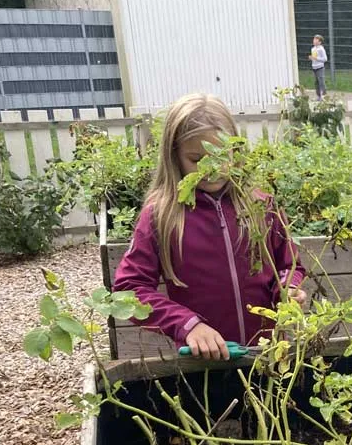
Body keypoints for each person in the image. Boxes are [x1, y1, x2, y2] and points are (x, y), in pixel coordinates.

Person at [114, 93, 307, 361]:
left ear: (235, 150)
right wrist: (188, 325)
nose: (212, 168)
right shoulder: (162, 215)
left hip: (268, 356)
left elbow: (289, 264)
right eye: (196, 159)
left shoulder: (261, 205)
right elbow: (129, 291)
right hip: (203, 365)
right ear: (174, 157)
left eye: (221, 155)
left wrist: (288, 290)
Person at [309, 35, 328, 101]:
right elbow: (314, 58)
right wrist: (312, 58)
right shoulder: (313, 49)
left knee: (321, 82)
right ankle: (319, 96)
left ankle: (325, 96)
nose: (314, 41)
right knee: (316, 83)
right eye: (314, 39)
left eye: (316, 40)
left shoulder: (321, 49)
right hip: (314, 68)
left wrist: (315, 58)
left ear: (320, 42)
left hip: (320, 68)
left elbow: (325, 59)